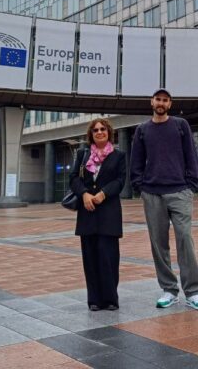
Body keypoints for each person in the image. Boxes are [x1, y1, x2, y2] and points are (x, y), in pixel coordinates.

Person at [129, 88, 198, 311]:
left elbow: (191, 155)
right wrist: (139, 185)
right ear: (151, 102)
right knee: (158, 243)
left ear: (170, 104)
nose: (161, 103)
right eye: (158, 99)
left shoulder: (180, 125)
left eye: (165, 100)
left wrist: (191, 184)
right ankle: (169, 290)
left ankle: (193, 292)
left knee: (185, 239)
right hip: (152, 193)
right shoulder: (142, 130)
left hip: (180, 192)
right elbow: (136, 160)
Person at [69, 117, 126, 312]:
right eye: (95, 130)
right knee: (90, 257)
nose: (99, 132)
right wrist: (84, 194)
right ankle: (94, 299)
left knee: (108, 256)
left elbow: (120, 181)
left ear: (109, 132)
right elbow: (74, 178)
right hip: (88, 212)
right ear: (91, 135)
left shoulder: (119, 156)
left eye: (103, 129)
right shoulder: (82, 155)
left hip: (109, 212)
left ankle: (110, 298)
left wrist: (104, 193)